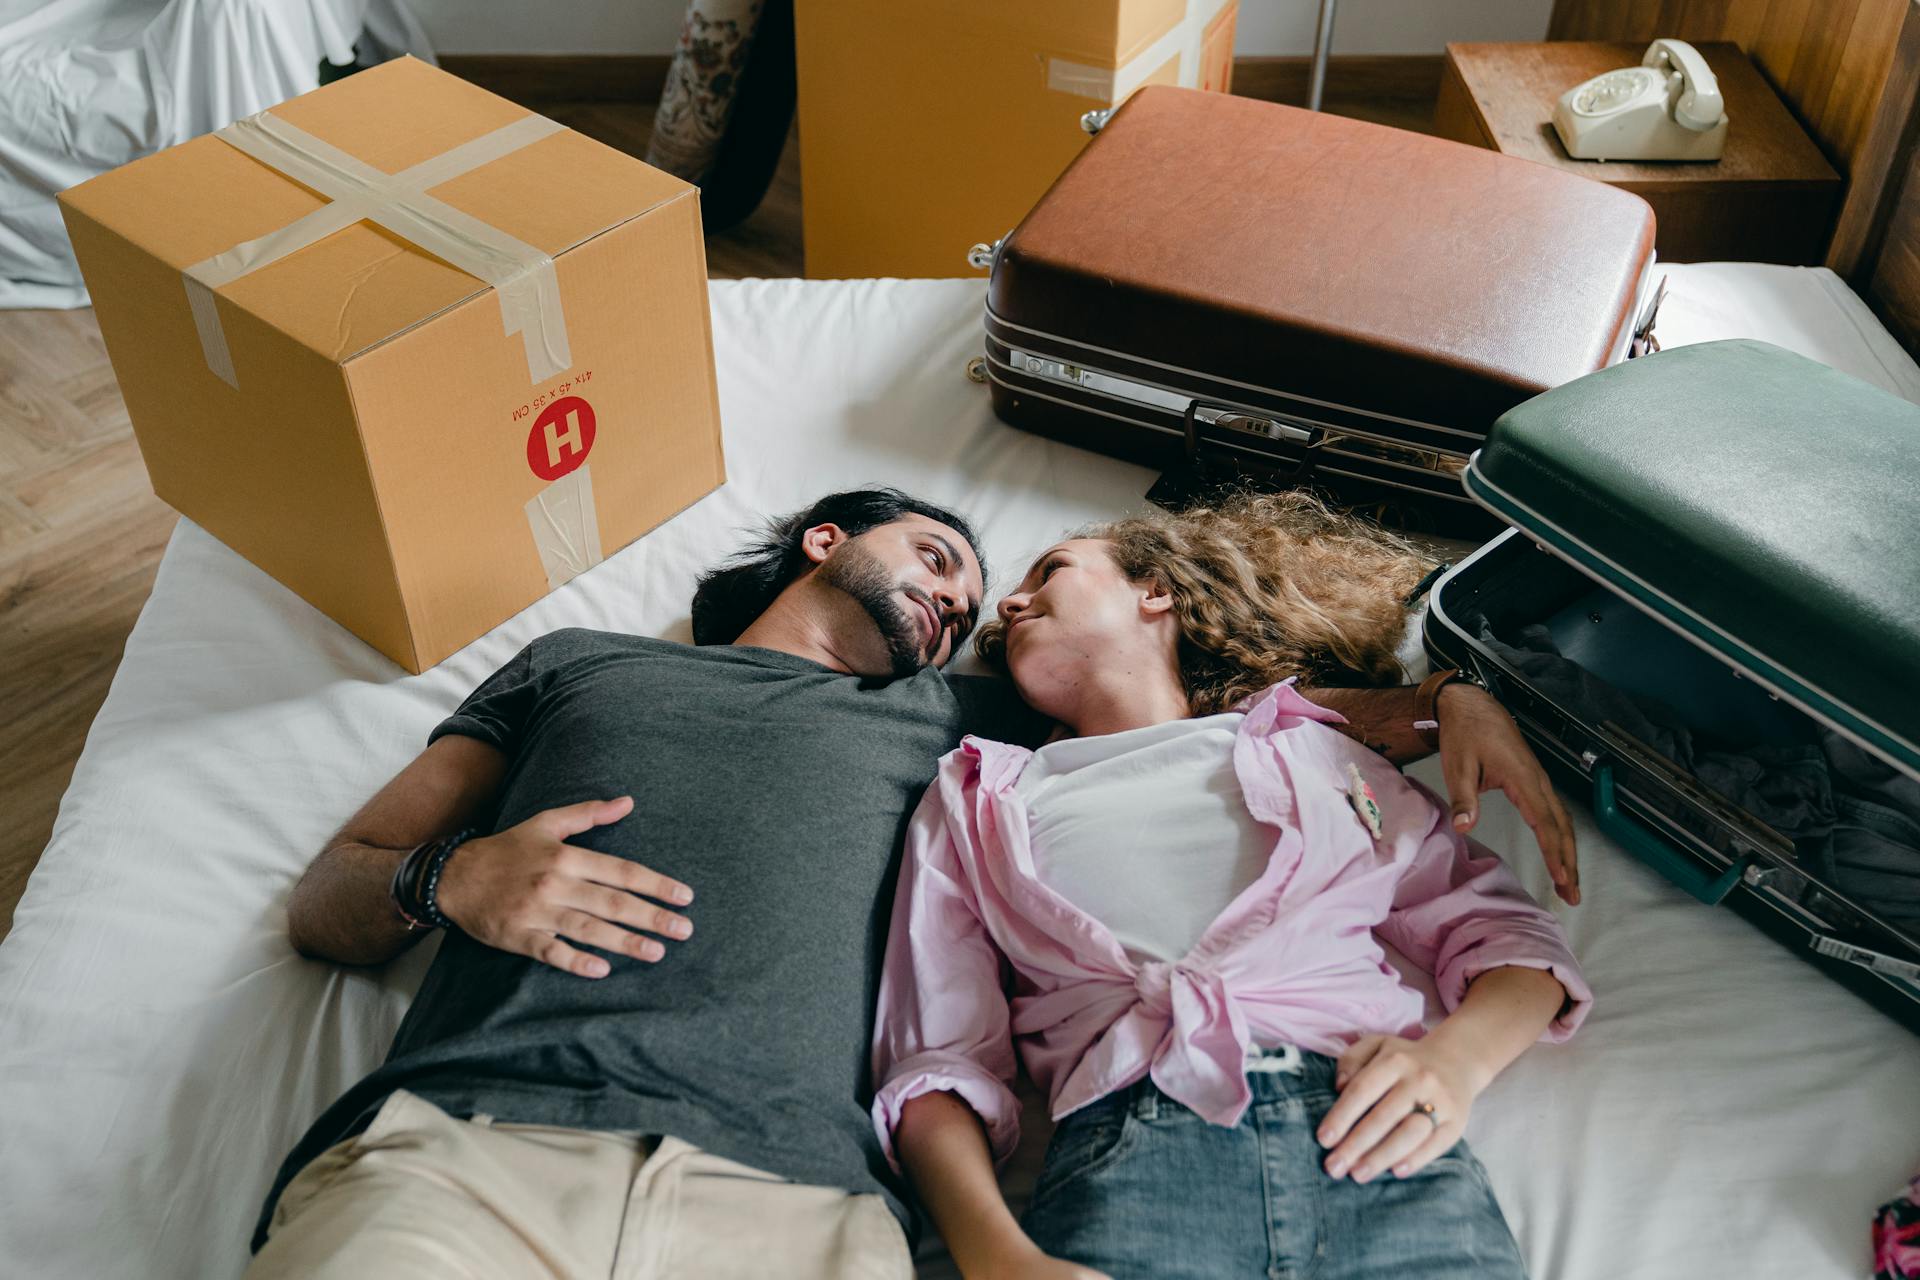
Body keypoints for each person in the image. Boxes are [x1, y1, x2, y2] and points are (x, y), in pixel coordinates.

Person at [245, 486, 1574, 1280]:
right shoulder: (587, 663)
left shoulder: (973, 734)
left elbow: (1221, 721)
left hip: (796, 1215)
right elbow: (328, 904)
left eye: (980, 601)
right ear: (828, 539)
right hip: (470, 1151)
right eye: (938, 559)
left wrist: (1449, 690)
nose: (962, 608)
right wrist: (450, 883)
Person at [872, 491, 1590, 1280]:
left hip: (1383, 1144)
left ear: (1157, 591)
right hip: (1134, 1161)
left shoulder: (1309, 751)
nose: (1009, 604)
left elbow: (1506, 943)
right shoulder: (979, 794)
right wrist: (996, 1257)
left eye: (1051, 571)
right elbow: (936, 1059)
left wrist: (1455, 1064)